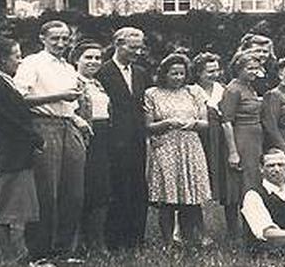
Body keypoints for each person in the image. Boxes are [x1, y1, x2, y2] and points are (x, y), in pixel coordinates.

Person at [13, 20, 90, 264]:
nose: (60, 43)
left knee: (73, 193)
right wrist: (60, 96)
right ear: (42, 38)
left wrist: (77, 118)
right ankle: (39, 254)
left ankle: (63, 251)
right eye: (55, 38)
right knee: (46, 193)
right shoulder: (31, 63)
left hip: (69, 126)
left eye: (65, 39)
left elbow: (70, 104)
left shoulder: (68, 67)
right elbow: (19, 98)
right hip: (43, 127)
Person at [0, 36, 44, 267]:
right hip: (9, 156)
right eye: (16, 56)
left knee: (17, 208)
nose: (20, 60)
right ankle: (7, 259)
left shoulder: (4, 82)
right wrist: (36, 139)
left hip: (18, 155)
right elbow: (10, 122)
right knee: (3, 209)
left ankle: (18, 255)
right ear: (2, 59)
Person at [143, 53, 211, 247]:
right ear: (164, 74)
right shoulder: (152, 93)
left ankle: (192, 237)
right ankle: (168, 241)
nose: (178, 77)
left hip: (190, 144)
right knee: (168, 196)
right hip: (165, 145)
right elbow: (148, 125)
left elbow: (205, 123)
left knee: (190, 193)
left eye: (182, 73)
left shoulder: (194, 91)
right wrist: (167, 123)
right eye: (174, 73)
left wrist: (193, 123)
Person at [95, 27, 150, 250]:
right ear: (118, 43)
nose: (137, 52)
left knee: (138, 187)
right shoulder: (102, 71)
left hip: (137, 139)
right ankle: (115, 239)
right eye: (132, 47)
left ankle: (136, 238)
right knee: (117, 188)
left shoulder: (140, 73)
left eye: (140, 47)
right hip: (112, 139)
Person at [218, 51, 267, 240]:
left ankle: (252, 227)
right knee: (238, 185)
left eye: (257, 68)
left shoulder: (250, 87)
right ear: (239, 69)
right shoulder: (233, 89)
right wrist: (233, 152)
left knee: (253, 183)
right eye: (250, 68)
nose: (255, 72)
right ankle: (234, 232)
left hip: (255, 139)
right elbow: (226, 121)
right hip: (241, 138)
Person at [71, 41, 112, 256]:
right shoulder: (71, 82)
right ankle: (77, 243)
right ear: (76, 59)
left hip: (103, 137)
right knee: (80, 188)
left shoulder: (98, 84)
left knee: (101, 189)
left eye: (97, 58)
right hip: (82, 137)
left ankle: (98, 241)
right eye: (88, 57)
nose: (94, 62)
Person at [190, 52, 226, 203]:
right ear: (199, 72)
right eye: (210, 71)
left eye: (217, 70)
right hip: (199, 136)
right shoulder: (191, 91)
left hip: (220, 137)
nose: (215, 74)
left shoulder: (223, 89)